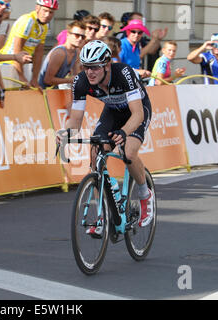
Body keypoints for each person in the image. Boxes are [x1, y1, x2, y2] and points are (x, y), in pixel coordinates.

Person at [58, 40, 154, 232]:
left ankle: (145, 194)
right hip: (112, 112)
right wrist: (65, 133)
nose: (90, 72)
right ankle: (101, 215)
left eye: (95, 67)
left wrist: (124, 132)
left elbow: (137, 115)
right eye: (86, 67)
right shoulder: (80, 81)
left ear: (107, 65)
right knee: (95, 155)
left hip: (136, 111)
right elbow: (76, 119)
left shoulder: (124, 74)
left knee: (128, 152)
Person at [0, 0, 58, 88]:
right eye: (45, 10)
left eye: (51, 12)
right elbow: (17, 50)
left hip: (23, 65)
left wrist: (34, 79)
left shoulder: (44, 26)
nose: (47, 15)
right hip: (8, 64)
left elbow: (39, 53)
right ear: (37, 8)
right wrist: (21, 76)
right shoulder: (28, 20)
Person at [187, 33, 218, 99]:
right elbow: (190, 58)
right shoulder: (206, 56)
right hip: (207, 94)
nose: (216, 47)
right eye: (214, 44)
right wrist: (203, 47)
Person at [38, 20, 85, 89]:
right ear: (68, 35)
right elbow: (47, 80)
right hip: (42, 91)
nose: (80, 39)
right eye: (77, 35)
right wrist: (69, 80)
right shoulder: (60, 53)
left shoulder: (76, 52)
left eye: (83, 36)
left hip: (54, 90)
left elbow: (76, 75)